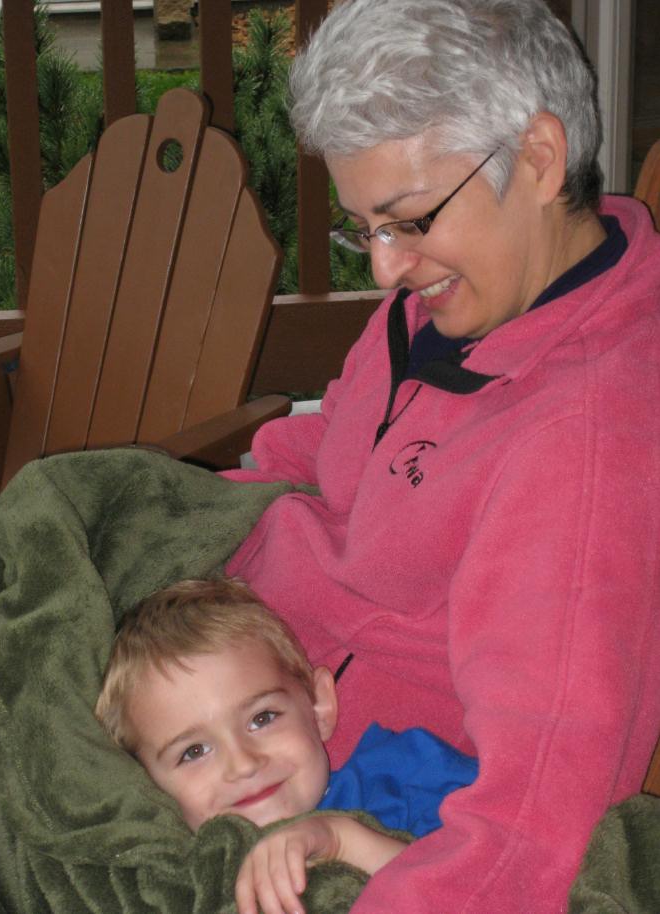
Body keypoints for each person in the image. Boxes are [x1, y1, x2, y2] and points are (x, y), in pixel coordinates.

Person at [219, 1, 660, 912]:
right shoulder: (457, 302)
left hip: (334, 780)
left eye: (409, 220)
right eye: (364, 228)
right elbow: (330, 442)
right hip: (232, 664)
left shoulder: (583, 446)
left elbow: (536, 804)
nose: (384, 271)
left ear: (538, 157)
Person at [94, 578, 478, 914]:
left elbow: (491, 884)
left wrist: (344, 841)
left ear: (318, 704)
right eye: (194, 752)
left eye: (262, 718)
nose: (244, 764)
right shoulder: (177, 878)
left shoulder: (406, 773)